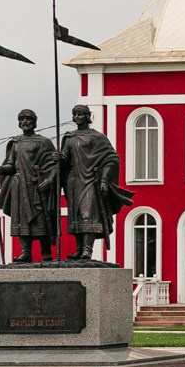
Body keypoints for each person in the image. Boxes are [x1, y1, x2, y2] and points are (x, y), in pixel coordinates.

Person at [55, 105, 133, 261]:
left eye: (80, 114)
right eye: (75, 114)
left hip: (90, 179)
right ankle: (79, 249)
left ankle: (87, 250)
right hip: (73, 181)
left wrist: (104, 179)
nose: (77, 117)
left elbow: (112, 158)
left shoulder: (97, 137)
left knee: (88, 214)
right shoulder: (70, 137)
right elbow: (65, 158)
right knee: (75, 215)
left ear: (87, 117)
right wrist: (59, 158)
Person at [0, 108, 61, 262]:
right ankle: (26, 252)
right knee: (21, 220)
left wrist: (49, 180)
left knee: (42, 219)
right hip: (19, 187)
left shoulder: (44, 142)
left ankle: (46, 253)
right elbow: (10, 166)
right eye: (22, 119)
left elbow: (54, 165)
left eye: (28, 118)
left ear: (35, 122)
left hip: (37, 187)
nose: (25, 121)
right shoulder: (16, 143)